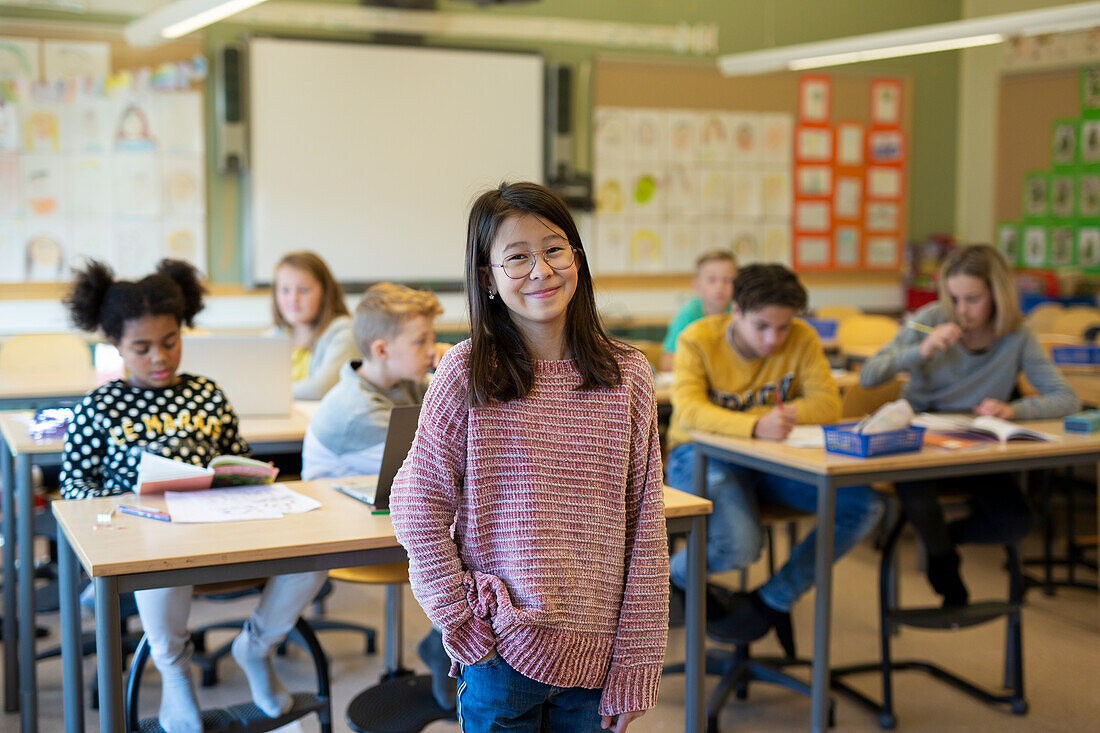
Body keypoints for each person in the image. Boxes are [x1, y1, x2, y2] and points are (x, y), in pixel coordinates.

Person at [390, 182, 668, 733]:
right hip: (502, 654)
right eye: (516, 258)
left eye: (554, 249)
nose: (540, 270)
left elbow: (645, 528)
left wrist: (637, 663)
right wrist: (458, 616)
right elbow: (416, 503)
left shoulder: (628, 374)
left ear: (577, 259)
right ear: (488, 278)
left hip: (599, 657)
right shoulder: (467, 373)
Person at [59, 259, 327, 733]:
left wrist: (248, 475)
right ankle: (175, 673)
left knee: (318, 552)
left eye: (170, 342)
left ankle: (257, 647)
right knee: (159, 553)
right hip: (149, 531)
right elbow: (76, 490)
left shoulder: (206, 392)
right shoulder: (96, 407)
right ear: (115, 345)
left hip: (221, 519)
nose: (159, 358)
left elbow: (237, 459)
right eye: (141, 349)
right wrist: (122, 508)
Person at [666, 264, 884, 652]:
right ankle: (668, 579)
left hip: (772, 459)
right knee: (741, 545)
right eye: (762, 326)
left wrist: (765, 427)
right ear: (735, 312)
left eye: (783, 327)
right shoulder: (697, 338)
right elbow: (690, 412)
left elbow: (827, 404)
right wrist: (755, 424)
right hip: (698, 456)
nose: (774, 339)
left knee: (863, 504)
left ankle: (772, 599)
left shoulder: (800, 337)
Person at [860, 244, 1079, 606]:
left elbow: (1065, 397)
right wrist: (922, 350)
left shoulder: (1016, 334)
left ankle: (941, 541)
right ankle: (943, 563)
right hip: (921, 440)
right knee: (915, 490)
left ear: (998, 294)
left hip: (975, 444)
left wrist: (1015, 411)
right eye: (954, 298)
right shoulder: (930, 318)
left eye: (973, 299)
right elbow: (869, 375)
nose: (961, 310)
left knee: (1016, 522)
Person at [300, 281, 456, 709]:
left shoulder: (403, 383)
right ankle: (447, 640)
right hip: (345, 534)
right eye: (422, 340)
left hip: (388, 511)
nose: (434, 347)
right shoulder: (357, 411)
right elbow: (444, 459)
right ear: (383, 349)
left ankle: (444, 640)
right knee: (477, 534)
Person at [269, 251, 357, 400]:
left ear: (325, 292)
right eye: (285, 290)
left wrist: (268, 393)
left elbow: (321, 388)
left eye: (303, 290)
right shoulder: (273, 336)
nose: (293, 299)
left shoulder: (344, 333)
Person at [659, 250, 736, 371]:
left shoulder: (740, 314)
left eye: (727, 280)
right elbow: (667, 362)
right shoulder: (687, 314)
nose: (720, 286)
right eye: (712, 280)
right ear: (696, 285)